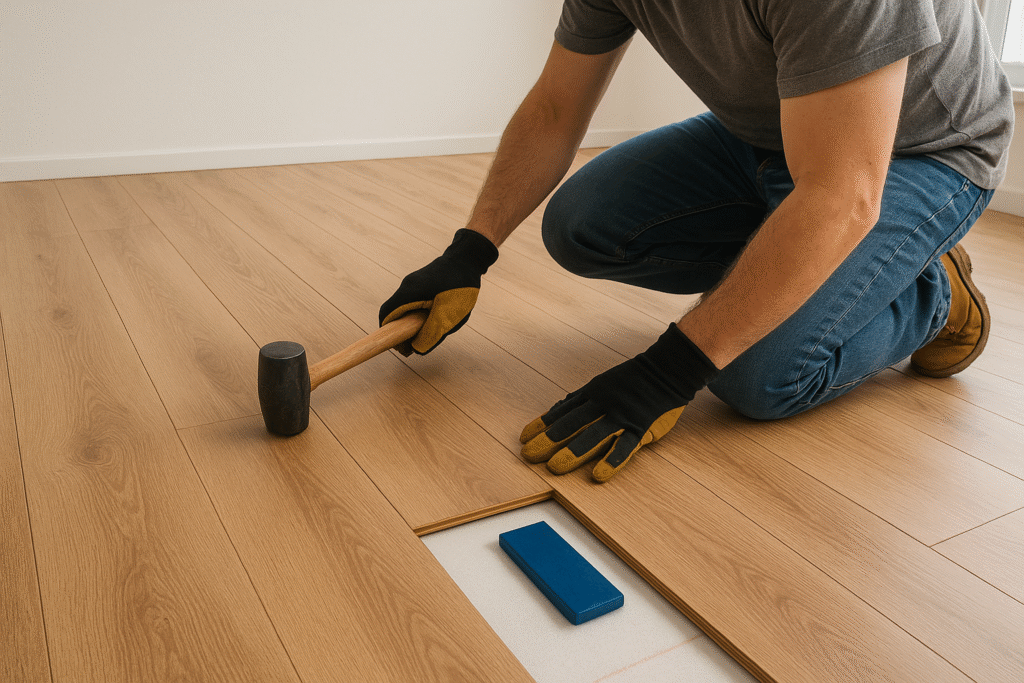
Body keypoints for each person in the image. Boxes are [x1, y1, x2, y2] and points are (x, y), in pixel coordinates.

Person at [379, 0, 1013, 483]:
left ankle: (929, 293)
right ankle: (809, 257)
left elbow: (842, 192)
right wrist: (469, 251)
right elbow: (554, 105)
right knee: (582, 225)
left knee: (748, 372)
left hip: (923, 153)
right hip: (771, 133)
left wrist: (670, 370)